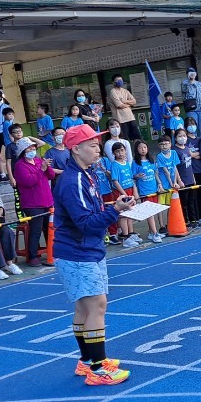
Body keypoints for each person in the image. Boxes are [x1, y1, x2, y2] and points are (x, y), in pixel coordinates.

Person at [51, 123, 135, 385]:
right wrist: (115, 211)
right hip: (78, 252)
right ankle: (98, 369)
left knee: (84, 306)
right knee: (96, 305)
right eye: (92, 145)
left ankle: (88, 361)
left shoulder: (86, 174)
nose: (98, 149)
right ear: (76, 149)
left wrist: (113, 207)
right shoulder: (73, 180)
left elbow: (90, 213)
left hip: (85, 250)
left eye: (97, 144)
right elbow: (85, 223)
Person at [15, 141, 57, 267]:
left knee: (50, 229)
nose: (32, 150)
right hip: (32, 204)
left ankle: (53, 252)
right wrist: (41, 169)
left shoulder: (39, 161)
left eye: (33, 148)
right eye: (29, 148)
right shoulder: (20, 165)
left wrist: (47, 167)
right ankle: (32, 256)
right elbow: (29, 181)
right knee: (36, 230)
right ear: (23, 151)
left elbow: (51, 176)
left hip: (47, 201)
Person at [108, 74, 140, 141]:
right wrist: (129, 104)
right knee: (124, 139)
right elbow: (120, 105)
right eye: (117, 80)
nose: (120, 82)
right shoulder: (113, 92)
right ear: (113, 82)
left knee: (136, 137)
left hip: (130, 117)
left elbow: (134, 101)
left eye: (121, 80)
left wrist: (125, 101)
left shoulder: (125, 91)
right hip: (120, 119)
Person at [181, 66, 201, 131]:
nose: (192, 74)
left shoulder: (200, 84)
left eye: (193, 73)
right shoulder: (185, 83)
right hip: (192, 109)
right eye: (190, 73)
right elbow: (184, 90)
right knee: (192, 128)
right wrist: (190, 81)